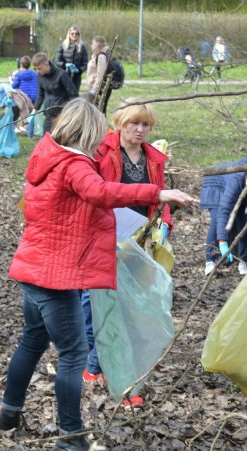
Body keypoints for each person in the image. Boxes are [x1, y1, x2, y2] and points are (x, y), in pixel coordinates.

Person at [0, 99, 196, 451]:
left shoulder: (47, 154)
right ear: (87, 132)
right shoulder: (73, 165)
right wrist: (159, 193)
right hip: (55, 277)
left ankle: (8, 414)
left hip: (34, 269)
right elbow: (101, 192)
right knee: (73, 354)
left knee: (33, 341)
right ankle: (70, 436)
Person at [80, 101, 172, 408]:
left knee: (123, 305)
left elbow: (160, 197)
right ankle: (94, 364)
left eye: (146, 125)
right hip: (102, 236)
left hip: (136, 239)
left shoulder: (153, 158)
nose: (140, 130)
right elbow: (95, 191)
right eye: (134, 123)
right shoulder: (102, 151)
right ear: (120, 123)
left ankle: (100, 368)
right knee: (93, 303)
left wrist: (164, 226)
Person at [200, 163, 247, 276]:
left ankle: (242, 260)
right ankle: (210, 261)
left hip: (240, 189)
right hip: (215, 185)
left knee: (244, 220)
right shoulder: (236, 181)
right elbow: (223, 211)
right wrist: (223, 243)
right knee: (217, 219)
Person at [32, 52, 77, 134]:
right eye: (35, 69)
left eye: (39, 68)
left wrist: (70, 110)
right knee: (46, 136)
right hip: (49, 113)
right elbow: (40, 94)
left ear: (46, 64)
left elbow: (73, 94)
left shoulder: (62, 74)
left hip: (62, 113)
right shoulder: (40, 77)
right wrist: (35, 108)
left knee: (60, 138)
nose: (37, 71)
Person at [55, 25, 88, 93]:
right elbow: (57, 60)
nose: (74, 35)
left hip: (76, 77)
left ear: (79, 35)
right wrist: (65, 65)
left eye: (76, 33)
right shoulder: (63, 46)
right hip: (64, 75)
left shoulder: (82, 47)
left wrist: (78, 70)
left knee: (74, 96)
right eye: (72, 33)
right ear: (69, 34)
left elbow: (85, 63)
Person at [86, 36, 111, 114]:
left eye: (93, 43)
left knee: (98, 112)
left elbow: (101, 75)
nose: (91, 46)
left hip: (99, 90)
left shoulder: (101, 56)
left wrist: (94, 91)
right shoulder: (97, 55)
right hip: (96, 89)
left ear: (97, 44)